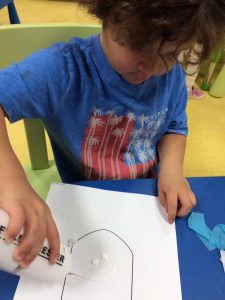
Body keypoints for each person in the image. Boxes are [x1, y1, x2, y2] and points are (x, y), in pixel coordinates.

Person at [0, 0, 225, 269]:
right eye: (139, 46)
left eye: (169, 54)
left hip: (148, 196)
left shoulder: (171, 75)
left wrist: (173, 169)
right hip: (84, 197)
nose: (152, 68)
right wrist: (10, 180)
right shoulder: (63, 70)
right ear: (105, 12)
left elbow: (175, 125)